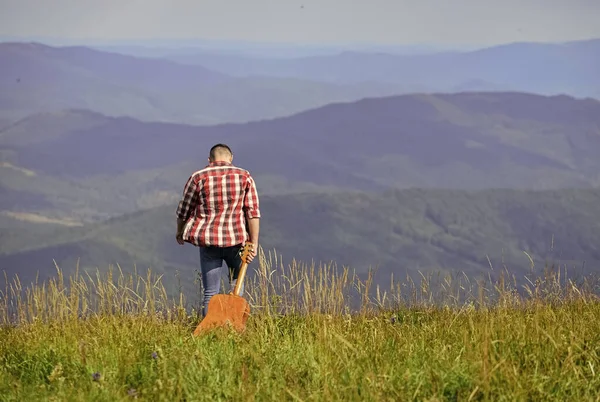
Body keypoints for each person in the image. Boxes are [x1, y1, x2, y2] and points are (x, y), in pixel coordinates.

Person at [175, 143, 260, 316]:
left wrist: (180, 231)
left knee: (210, 293)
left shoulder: (198, 177)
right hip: (237, 242)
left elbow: (184, 209)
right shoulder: (244, 176)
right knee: (236, 291)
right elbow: (252, 212)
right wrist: (254, 243)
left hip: (209, 243)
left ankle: (209, 331)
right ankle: (231, 327)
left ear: (209, 159)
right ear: (231, 157)